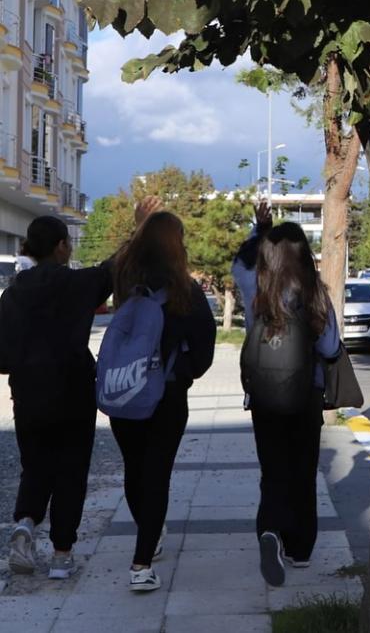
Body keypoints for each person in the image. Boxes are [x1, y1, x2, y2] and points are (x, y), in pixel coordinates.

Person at [0, 201, 159, 579]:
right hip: (72, 391)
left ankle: (25, 523)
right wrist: (139, 228)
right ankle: (61, 556)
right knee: (71, 469)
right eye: (67, 243)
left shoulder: (12, 294)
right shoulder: (76, 285)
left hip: (28, 395)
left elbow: (2, 355)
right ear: (59, 247)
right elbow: (114, 266)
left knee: (35, 466)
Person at [232, 204, 340, 587]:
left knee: (272, 468)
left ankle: (269, 529)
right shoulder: (315, 294)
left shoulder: (254, 288)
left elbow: (238, 265)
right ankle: (300, 549)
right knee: (303, 470)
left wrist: (258, 231)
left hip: (263, 396)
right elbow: (329, 348)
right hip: (306, 395)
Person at [109, 210, 216, 592]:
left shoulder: (124, 282)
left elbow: (121, 256)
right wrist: (183, 371)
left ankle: (148, 537)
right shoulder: (185, 290)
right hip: (167, 395)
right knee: (157, 474)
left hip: (124, 389)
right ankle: (141, 564)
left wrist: (139, 224)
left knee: (134, 470)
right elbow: (204, 351)